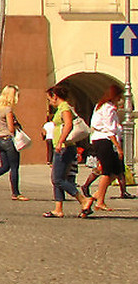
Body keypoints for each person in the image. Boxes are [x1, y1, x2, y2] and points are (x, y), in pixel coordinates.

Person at [44, 84, 94, 218]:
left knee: (58, 179)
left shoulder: (64, 107)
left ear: (55, 96)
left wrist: (60, 141)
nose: (50, 102)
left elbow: (68, 124)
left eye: (50, 99)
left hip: (65, 147)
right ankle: (58, 209)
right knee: (57, 178)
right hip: (62, 146)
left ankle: (83, 199)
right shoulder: (62, 107)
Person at [81, 84, 126, 211]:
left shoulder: (101, 106)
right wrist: (118, 147)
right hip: (104, 140)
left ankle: (97, 196)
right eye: (119, 97)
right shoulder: (108, 108)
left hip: (101, 140)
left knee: (117, 171)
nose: (120, 99)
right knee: (107, 171)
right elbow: (110, 129)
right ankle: (99, 200)